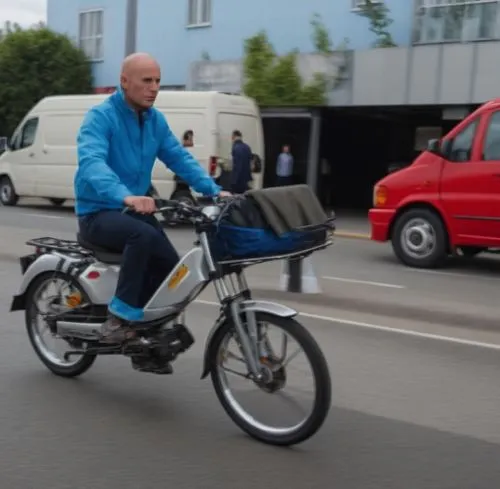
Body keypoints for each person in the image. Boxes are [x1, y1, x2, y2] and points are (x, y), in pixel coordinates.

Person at [75, 52, 230, 343]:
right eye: (147, 80)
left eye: (158, 80)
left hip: (132, 210)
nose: (154, 87)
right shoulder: (101, 117)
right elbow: (92, 162)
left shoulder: (154, 120)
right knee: (142, 237)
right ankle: (119, 317)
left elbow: (178, 156)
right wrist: (126, 197)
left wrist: (213, 190)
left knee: (172, 272)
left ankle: (146, 332)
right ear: (124, 81)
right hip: (98, 212)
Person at [230, 130, 252, 194]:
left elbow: (237, 165)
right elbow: (249, 162)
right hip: (246, 178)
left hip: (238, 179)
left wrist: (234, 181)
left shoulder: (236, 147)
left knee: (236, 197)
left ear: (234, 136)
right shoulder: (247, 147)